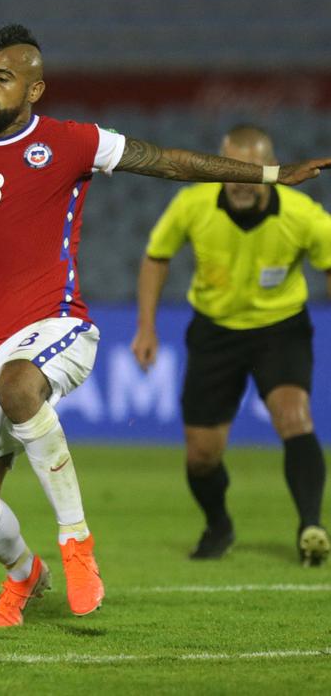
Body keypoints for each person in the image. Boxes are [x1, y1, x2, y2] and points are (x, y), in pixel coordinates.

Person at [0, 24, 331, 628]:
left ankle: (76, 541)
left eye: (2, 78)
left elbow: (167, 161)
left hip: (58, 323)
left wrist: (267, 176)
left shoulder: (73, 142)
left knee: (18, 384)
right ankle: (24, 574)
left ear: (34, 89)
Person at [131, 125, 330, 567]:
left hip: (280, 329)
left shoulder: (303, 215)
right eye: (231, 169)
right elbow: (157, 257)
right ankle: (218, 525)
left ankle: (310, 528)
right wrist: (146, 328)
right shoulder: (193, 203)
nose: (240, 180)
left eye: (251, 170)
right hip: (214, 333)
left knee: (294, 417)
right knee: (202, 455)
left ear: (271, 169)